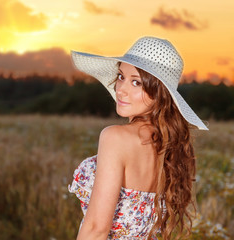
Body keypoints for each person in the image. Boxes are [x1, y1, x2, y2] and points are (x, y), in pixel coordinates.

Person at [68, 36, 209, 240]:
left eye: (136, 82)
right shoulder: (168, 146)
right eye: (121, 76)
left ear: (160, 93)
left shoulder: (115, 137)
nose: (121, 89)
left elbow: (96, 228)